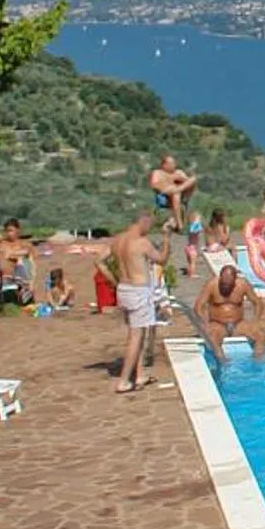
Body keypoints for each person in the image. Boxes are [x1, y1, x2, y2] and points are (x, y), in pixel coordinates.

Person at [109, 211, 163, 393]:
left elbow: (98, 261)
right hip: (138, 291)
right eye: (149, 225)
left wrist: (113, 280)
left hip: (123, 288)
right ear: (143, 221)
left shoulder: (118, 240)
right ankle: (123, 381)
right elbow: (161, 259)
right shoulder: (142, 243)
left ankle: (139, 374)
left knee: (134, 334)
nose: (149, 229)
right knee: (136, 336)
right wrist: (167, 238)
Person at [194, 262, 265, 363]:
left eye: (228, 283)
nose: (225, 286)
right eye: (223, 283)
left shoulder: (243, 284)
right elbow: (198, 307)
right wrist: (205, 324)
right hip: (218, 324)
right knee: (212, 337)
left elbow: (257, 303)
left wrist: (255, 320)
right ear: (220, 277)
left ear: (235, 279)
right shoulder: (212, 285)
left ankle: (258, 362)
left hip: (238, 324)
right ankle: (223, 363)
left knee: (260, 334)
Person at [148, 155, 199, 229]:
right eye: (171, 163)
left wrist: (181, 179)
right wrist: (169, 182)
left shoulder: (178, 172)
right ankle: (180, 224)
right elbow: (154, 184)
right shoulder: (157, 172)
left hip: (180, 194)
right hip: (165, 197)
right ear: (164, 165)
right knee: (174, 191)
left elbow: (188, 183)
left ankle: (179, 192)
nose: (174, 165)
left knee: (193, 179)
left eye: (174, 163)